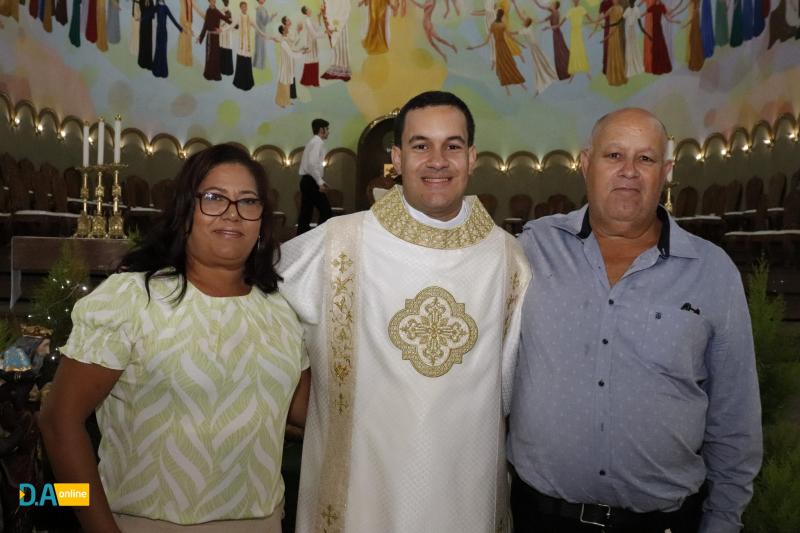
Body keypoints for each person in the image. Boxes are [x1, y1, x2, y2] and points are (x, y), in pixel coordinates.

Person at [278, 91, 531, 533]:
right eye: (420, 145)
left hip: (463, 491)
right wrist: (302, 403)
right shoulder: (339, 242)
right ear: (396, 157)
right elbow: (256, 312)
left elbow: (515, 389)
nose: (438, 160)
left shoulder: (508, 260)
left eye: (452, 146)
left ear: (471, 158)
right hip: (359, 493)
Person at [508, 108, 762, 533]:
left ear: (666, 171)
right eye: (614, 156)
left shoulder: (712, 271)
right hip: (541, 517)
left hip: (662, 523)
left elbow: (735, 416)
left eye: (645, 159)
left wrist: (723, 522)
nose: (628, 171)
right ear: (586, 165)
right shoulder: (532, 250)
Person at [39, 144, 310, 533]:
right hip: (140, 523)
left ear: (262, 219)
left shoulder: (281, 310)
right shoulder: (131, 299)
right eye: (214, 198)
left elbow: (306, 412)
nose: (232, 213)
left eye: (248, 201)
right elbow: (57, 422)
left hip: (261, 522)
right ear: (185, 212)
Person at [296, 118, 332, 234]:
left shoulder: (313, 141)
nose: (328, 132)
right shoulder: (318, 142)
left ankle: (301, 239)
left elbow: (312, 164)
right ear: (321, 130)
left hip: (307, 181)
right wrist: (319, 182)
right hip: (311, 181)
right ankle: (319, 238)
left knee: (306, 214)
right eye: (327, 129)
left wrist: (320, 180)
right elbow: (312, 164)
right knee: (326, 211)